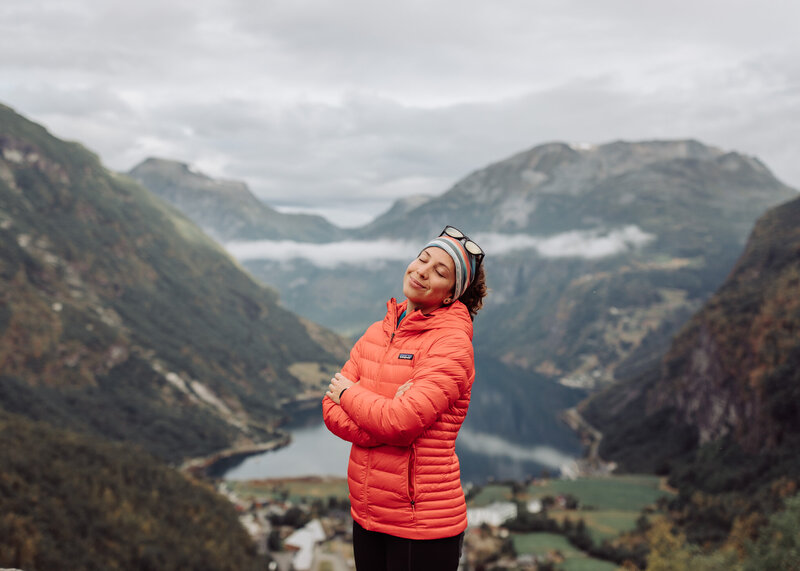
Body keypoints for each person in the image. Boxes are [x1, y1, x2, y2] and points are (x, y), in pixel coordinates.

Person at [323, 225, 487, 571]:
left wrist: (352, 394)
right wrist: (381, 420)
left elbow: (398, 423)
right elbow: (329, 407)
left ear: (450, 295)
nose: (422, 271)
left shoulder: (451, 345)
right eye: (422, 259)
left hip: (421, 523)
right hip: (368, 514)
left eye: (440, 271)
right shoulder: (376, 333)